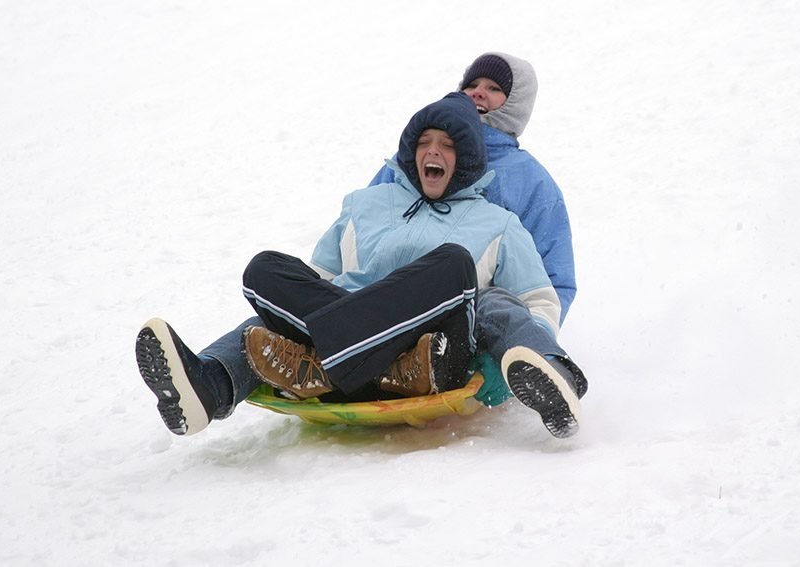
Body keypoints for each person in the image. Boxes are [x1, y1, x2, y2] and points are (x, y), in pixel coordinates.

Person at [135, 93, 587, 441]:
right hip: (364, 330)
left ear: (466, 160)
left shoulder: (498, 223)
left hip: (435, 347)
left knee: (459, 272)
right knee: (265, 271)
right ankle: (210, 386)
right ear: (410, 152)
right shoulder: (366, 204)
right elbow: (320, 282)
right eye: (424, 142)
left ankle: (554, 374)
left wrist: (499, 365)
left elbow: (537, 301)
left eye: (448, 145)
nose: (433, 152)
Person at [370, 52, 577, 324]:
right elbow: (366, 224)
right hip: (387, 299)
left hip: (474, 322)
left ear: (517, 103)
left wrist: (536, 335)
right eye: (472, 85)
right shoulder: (412, 157)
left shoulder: (530, 180)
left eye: (494, 88)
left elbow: (552, 278)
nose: (478, 93)